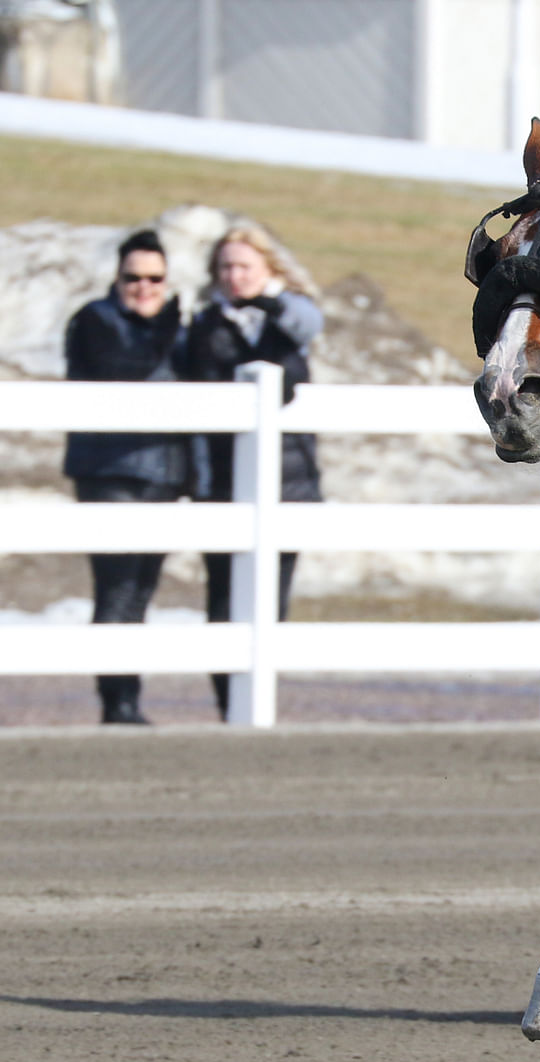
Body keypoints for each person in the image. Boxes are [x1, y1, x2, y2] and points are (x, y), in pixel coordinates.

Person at [183, 224, 324, 719]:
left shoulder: (288, 316)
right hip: (221, 483)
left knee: (272, 601)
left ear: (267, 269)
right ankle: (229, 706)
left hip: (289, 481)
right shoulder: (202, 326)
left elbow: (308, 321)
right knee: (222, 597)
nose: (234, 276)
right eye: (225, 267)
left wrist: (270, 303)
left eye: (244, 265)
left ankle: (260, 701)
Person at [62, 229, 189, 724]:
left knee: (141, 589)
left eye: (155, 278)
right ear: (117, 278)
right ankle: (118, 703)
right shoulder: (95, 320)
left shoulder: (179, 328)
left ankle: (126, 699)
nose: (144, 287)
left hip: (164, 474)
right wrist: (166, 328)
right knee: (115, 588)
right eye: (133, 277)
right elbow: (121, 372)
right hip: (109, 470)